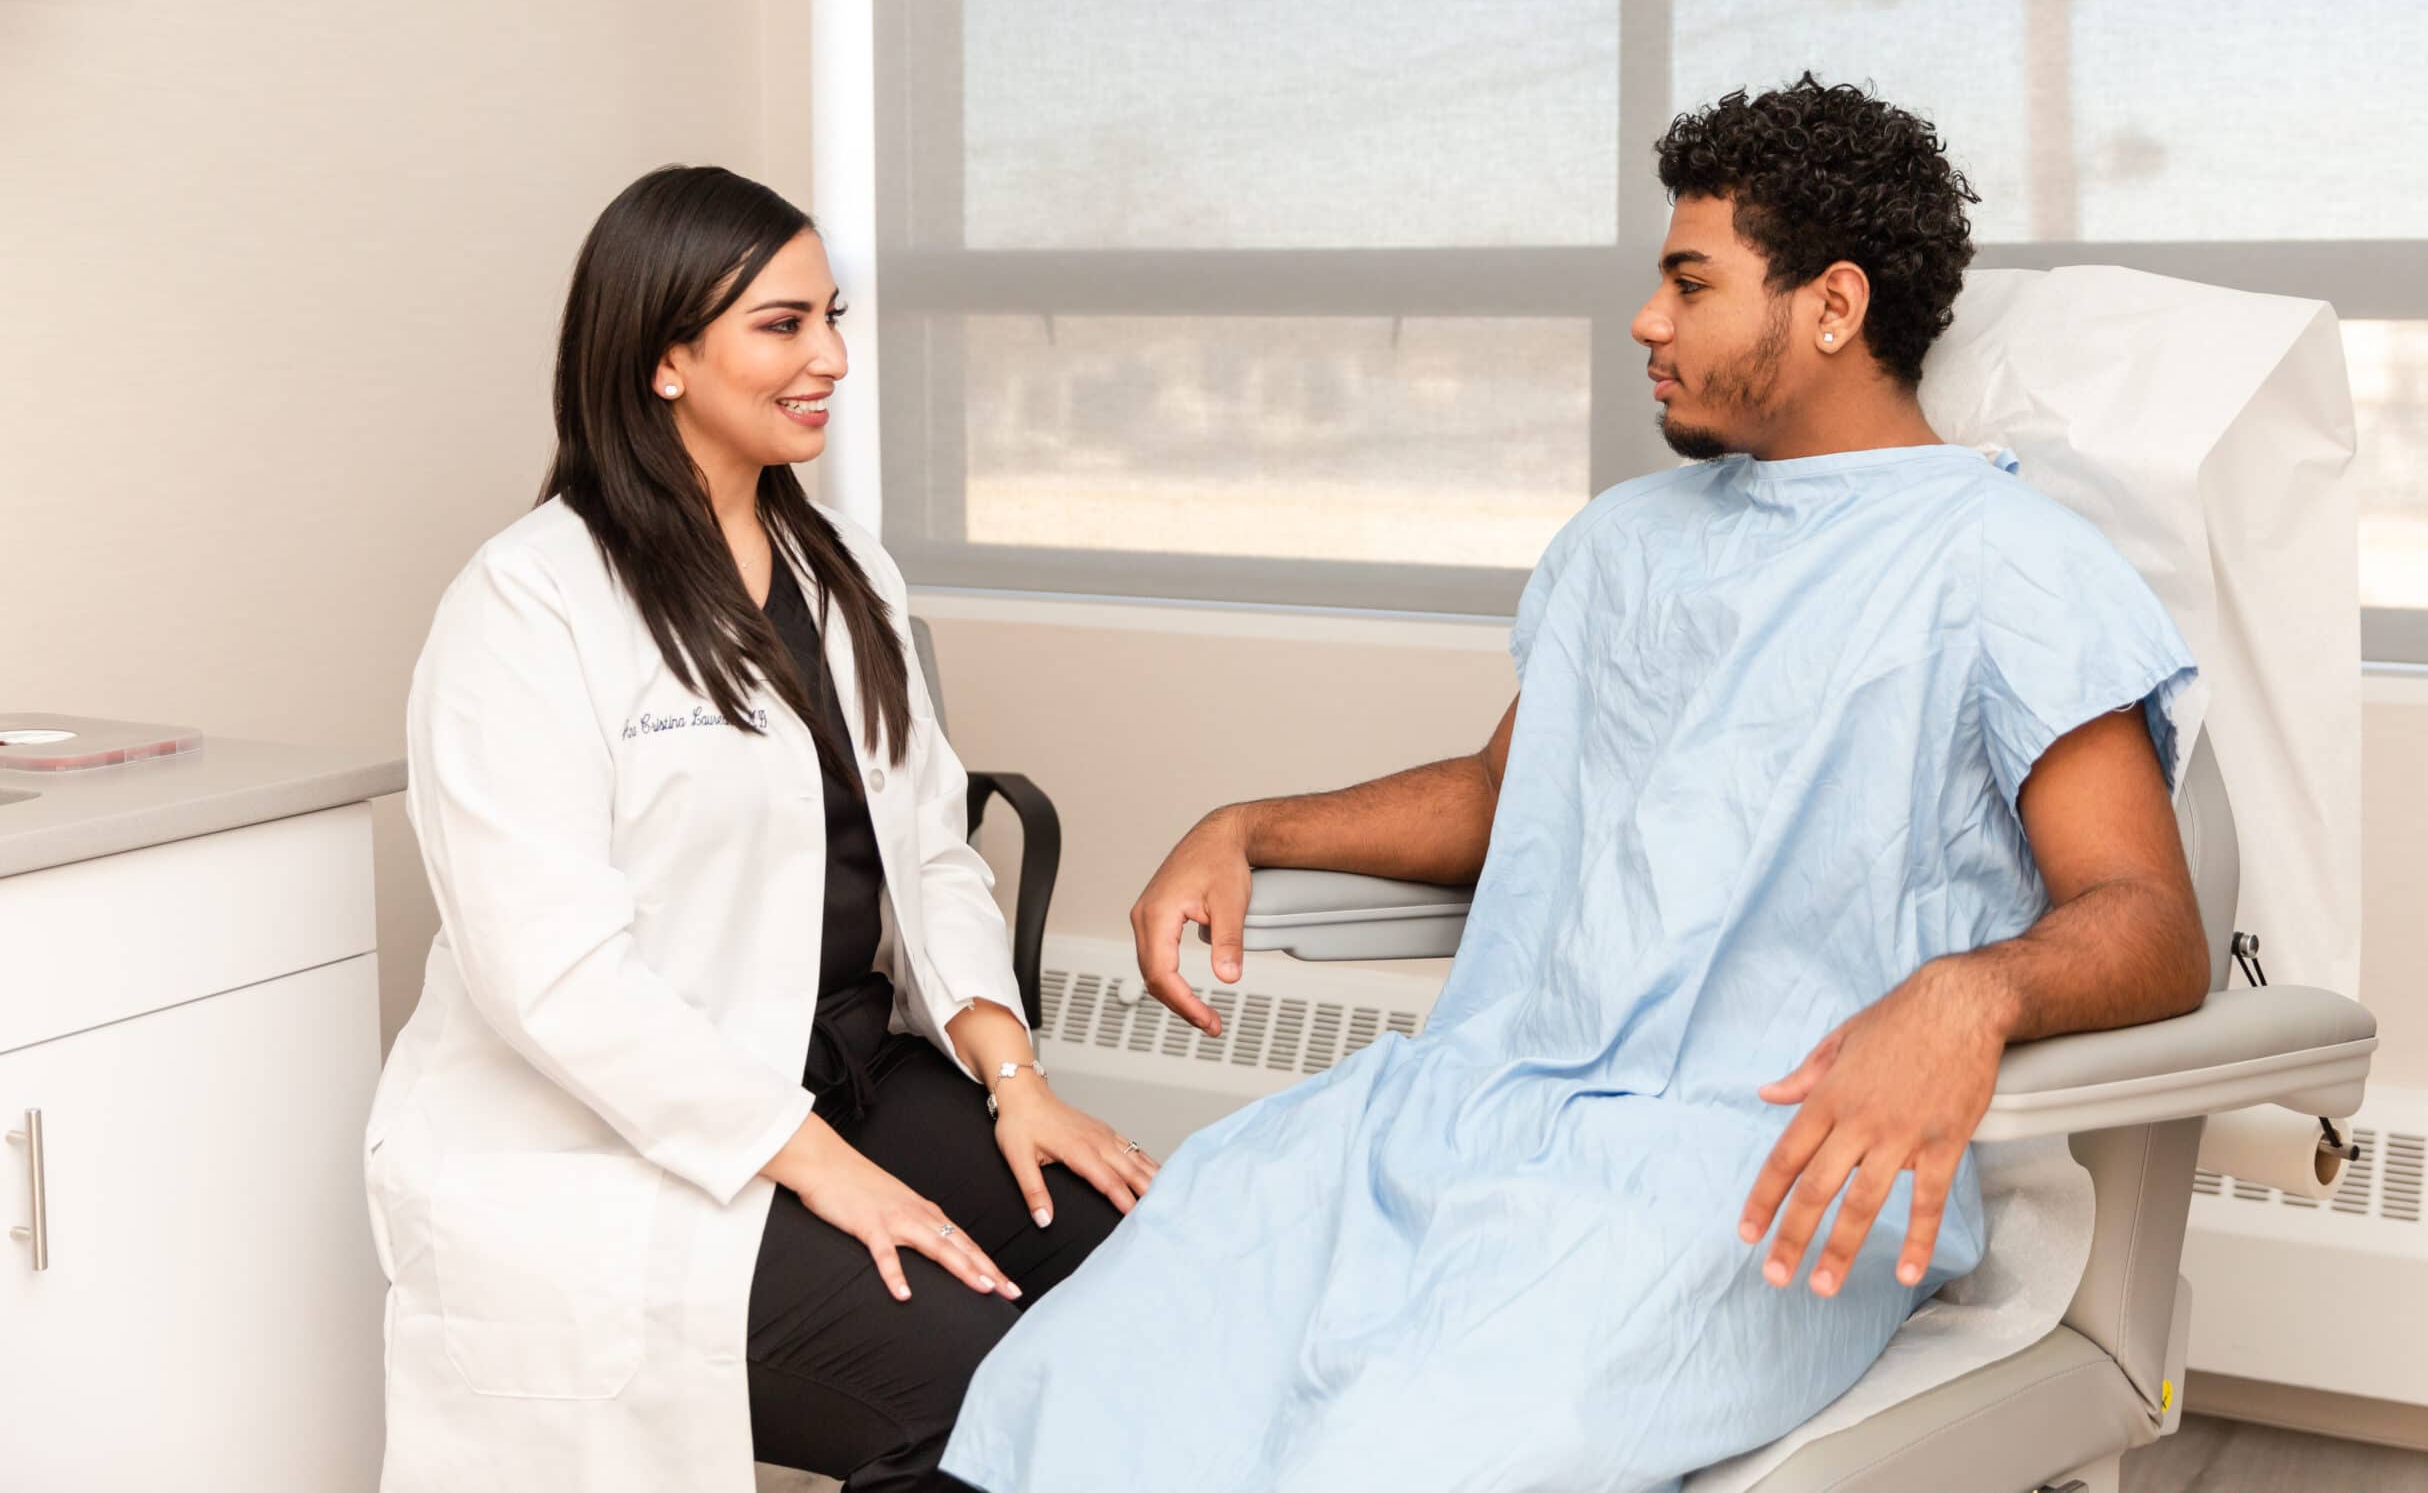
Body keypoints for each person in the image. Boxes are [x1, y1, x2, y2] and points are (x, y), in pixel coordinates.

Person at [938, 78, 2209, 1493]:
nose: (1646, 323)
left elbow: (2150, 918)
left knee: (1379, 1463)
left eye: (1689, 281)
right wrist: (1247, 826)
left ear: (1832, 305)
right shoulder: (1627, 544)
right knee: (1087, 1382)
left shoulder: (2008, 564)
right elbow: (1511, 792)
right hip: (1458, 1115)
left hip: (1738, 1172)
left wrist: (1970, 996)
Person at [363, 166, 1150, 1493]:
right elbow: (554, 978)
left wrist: (1016, 1081)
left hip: (847, 1070)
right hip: (625, 1135)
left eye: (831, 317)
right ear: (663, 356)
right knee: (961, 1377)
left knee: (1153, 1273)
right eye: (783, 326)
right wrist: (827, 1173)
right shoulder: (528, 607)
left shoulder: (846, 568)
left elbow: (933, 851)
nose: (831, 358)